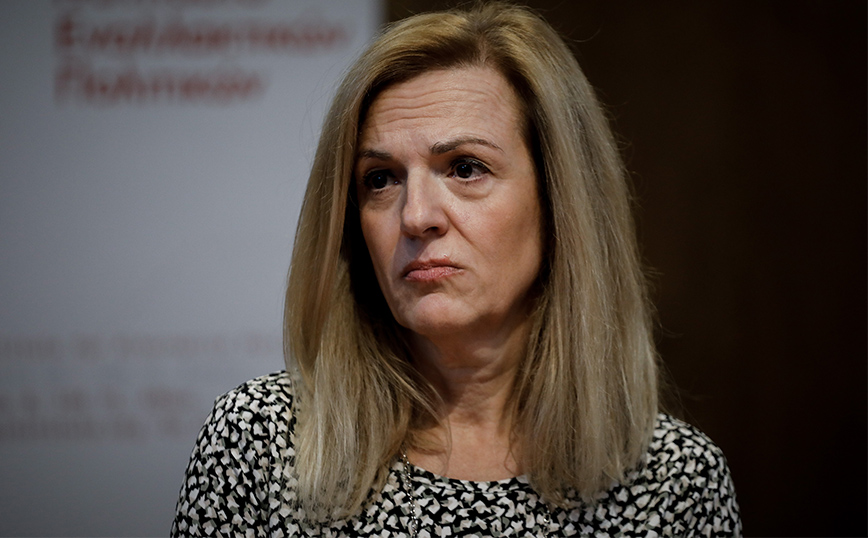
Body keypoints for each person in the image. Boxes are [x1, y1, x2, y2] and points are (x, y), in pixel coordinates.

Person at [172, 2, 741, 536]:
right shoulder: (260, 443)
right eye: (380, 179)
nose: (415, 216)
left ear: (559, 201)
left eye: (465, 168)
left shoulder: (676, 482)